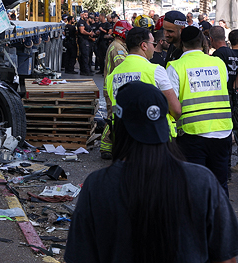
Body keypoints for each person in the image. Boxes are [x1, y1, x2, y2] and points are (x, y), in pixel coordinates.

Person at [65, 81, 238, 263]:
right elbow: (227, 258)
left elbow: (79, 256)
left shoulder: (98, 186)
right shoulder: (202, 181)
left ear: (120, 128)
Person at [167, 26, 233, 194]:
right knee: (220, 185)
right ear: (203, 42)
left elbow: (173, 105)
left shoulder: (175, 67)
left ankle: (197, 219)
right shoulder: (218, 63)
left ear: (181, 43)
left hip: (192, 134)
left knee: (194, 187)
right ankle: (221, 219)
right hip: (222, 131)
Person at [106, 27, 181, 138]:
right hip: (153, 136)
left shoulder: (113, 75)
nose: (154, 48)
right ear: (144, 46)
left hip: (124, 137)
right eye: (153, 44)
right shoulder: (155, 70)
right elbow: (175, 109)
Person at [101, 19, 132, 159]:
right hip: (112, 89)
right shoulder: (118, 48)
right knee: (112, 118)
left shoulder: (117, 45)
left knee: (113, 117)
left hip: (112, 88)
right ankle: (105, 147)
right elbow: (124, 66)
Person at [77, 10, 95, 75]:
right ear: (81, 15)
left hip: (85, 40)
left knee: (85, 56)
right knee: (85, 56)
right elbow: (82, 31)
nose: (86, 16)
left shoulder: (85, 22)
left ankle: (84, 70)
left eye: (87, 15)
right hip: (83, 41)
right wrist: (89, 33)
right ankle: (86, 71)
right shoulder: (81, 22)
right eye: (85, 15)